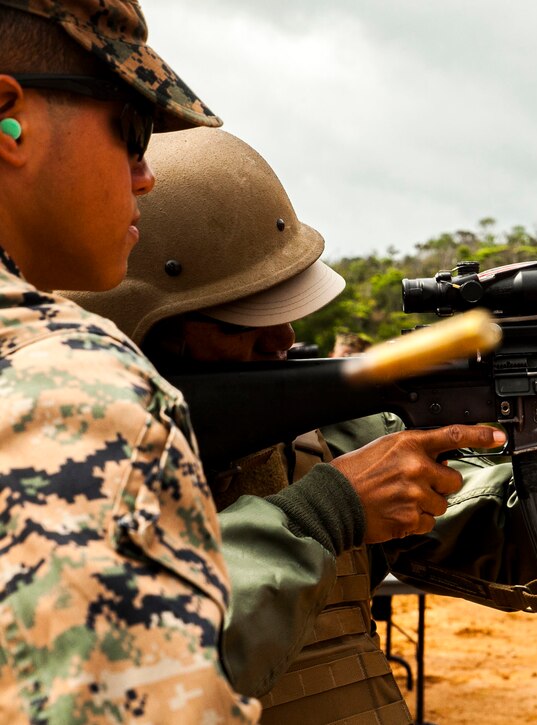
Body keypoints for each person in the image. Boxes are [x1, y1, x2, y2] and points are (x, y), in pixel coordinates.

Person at [68, 127, 537, 723]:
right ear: (146, 329)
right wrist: (330, 510)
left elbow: (520, 553)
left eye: (285, 308)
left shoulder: (320, 438)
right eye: (247, 322)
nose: (284, 340)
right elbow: (127, 676)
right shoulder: (56, 475)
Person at [0, 3, 502, 722]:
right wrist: (322, 512)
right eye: (130, 130)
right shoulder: (75, 387)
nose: (143, 175)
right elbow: (137, 693)